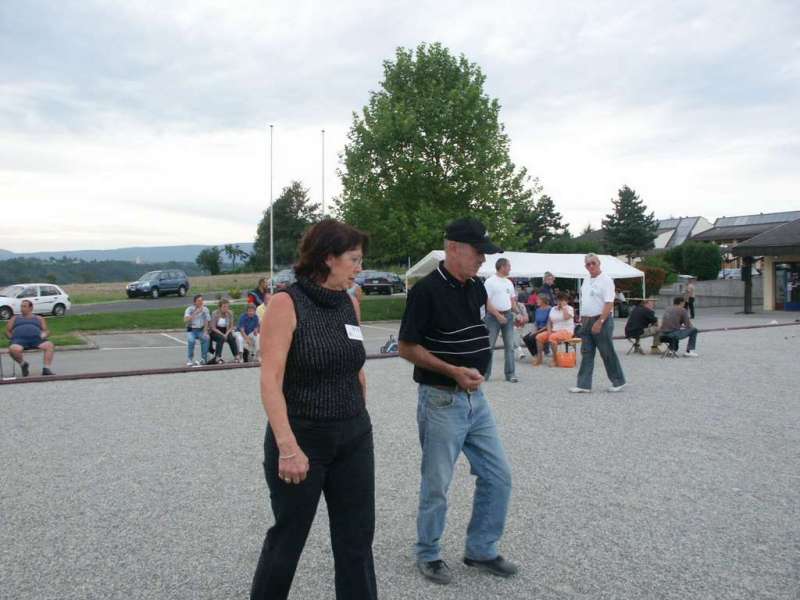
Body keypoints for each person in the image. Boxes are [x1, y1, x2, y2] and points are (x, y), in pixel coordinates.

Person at [250, 219, 375, 600]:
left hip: (353, 436)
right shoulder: (286, 303)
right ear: (327, 258)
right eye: (353, 259)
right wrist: (288, 447)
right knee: (289, 537)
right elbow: (270, 380)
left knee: (356, 539)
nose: (359, 267)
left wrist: (358, 414)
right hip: (303, 438)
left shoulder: (349, 301)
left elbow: (355, 366)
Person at [398, 217, 517, 585]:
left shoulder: (476, 287)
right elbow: (407, 347)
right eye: (478, 253)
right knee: (437, 483)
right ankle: (428, 553)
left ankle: (481, 549)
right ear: (452, 249)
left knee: (498, 476)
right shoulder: (426, 291)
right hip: (441, 400)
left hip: (475, 400)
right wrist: (452, 371)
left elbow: (475, 333)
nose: (482, 259)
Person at [570, 253, 626, 393]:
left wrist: (600, 321)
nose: (591, 266)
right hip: (587, 320)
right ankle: (583, 384)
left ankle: (618, 381)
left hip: (601, 319)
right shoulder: (586, 279)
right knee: (586, 352)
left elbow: (609, 303)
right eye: (588, 264)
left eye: (593, 263)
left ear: (599, 263)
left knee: (606, 352)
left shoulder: (606, 280)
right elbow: (585, 300)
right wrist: (582, 318)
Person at [484, 257, 519, 383]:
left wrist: (518, 313)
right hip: (493, 317)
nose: (510, 268)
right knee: (489, 346)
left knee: (510, 346)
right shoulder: (490, 282)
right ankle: (485, 374)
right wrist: (498, 315)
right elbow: (487, 302)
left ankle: (510, 374)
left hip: (508, 315)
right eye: (509, 266)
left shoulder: (509, 282)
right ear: (502, 267)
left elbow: (512, 301)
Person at [5, 299, 55, 376]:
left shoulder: (38, 318)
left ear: (31, 308)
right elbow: (8, 331)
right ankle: (23, 364)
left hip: (36, 339)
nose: (22, 308)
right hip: (19, 340)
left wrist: (44, 335)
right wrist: (12, 338)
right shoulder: (15, 318)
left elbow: (46, 331)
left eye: (24, 306)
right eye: (21, 306)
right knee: (12, 349)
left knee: (49, 345)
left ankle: (46, 369)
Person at [533, 292, 575, 366]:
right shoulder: (553, 309)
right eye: (558, 300)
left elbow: (566, 317)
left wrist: (564, 308)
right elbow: (549, 322)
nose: (560, 302)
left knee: (553, 337)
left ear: (566, 301)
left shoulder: (570, 308)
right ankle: (539, 358)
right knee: (539, 337)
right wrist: (549, 331)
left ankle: (555, 360)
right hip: (554, 330)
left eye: (562, 300)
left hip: (566, 331)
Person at [184, 294, 210, 366]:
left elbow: (206, 321)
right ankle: (190, 359)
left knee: (206, 338)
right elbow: (185, 320)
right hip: (191, 330)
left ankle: (204, 359)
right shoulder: (189, 309)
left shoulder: (205, 309)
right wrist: (196, 312)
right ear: (194, 302)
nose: (201, 302)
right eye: (199, 301)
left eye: (202, 301)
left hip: (201, 330)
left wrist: (205, 331)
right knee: (191, 341)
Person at [209, 298, 238, 364]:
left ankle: (236, 356)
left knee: (231, 338)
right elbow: (213, 327)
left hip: (226, 330)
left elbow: (231, 327)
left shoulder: (230, 313)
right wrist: (223, 335)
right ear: (220, 307)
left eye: (227, 306)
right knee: (221, 338)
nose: (226, 308)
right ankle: (218, 357)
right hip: (216, 331)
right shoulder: (214, 313)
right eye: (224, 307)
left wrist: (226, 334)